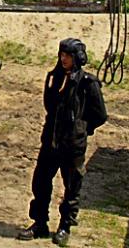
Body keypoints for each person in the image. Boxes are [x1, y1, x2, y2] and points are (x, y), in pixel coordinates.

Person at [17, 38, 107, 246]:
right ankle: (40, 223)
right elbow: (49, 106)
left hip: (72, 146)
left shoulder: (88, 83)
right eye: (61, 55)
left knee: (71, 188)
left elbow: (100, 115)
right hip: (51, 141)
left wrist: (82, 129)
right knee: (40, 182)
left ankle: (65, 226)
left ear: (78, 58)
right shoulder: (53, 78)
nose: (63, 59)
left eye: (68, 56)